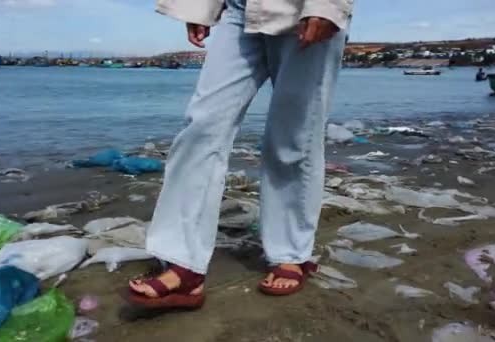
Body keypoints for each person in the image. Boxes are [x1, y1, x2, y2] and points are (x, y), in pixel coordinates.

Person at [128, 0, 353, 309]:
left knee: (294, 136)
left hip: (302, 7)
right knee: (202, 125)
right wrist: (199, 8)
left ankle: (290, 253)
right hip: (238, 9)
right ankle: (184, 263)